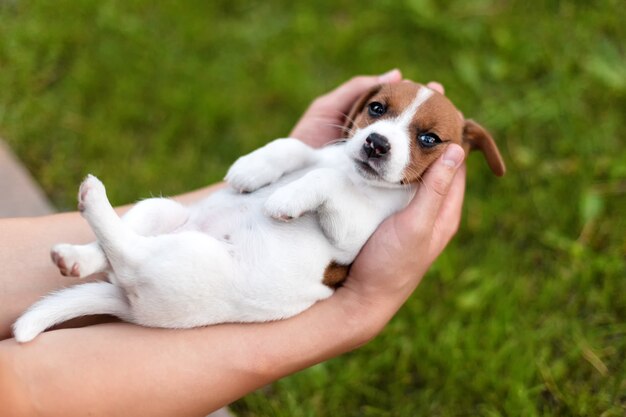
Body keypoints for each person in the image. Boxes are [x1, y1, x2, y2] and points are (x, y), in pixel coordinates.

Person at [0, 69, 467, 416]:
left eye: (425, 139)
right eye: (379, 111)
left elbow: (346, 242)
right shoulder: (340, 156)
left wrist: (322, 199)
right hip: (214, 239)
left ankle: (111, 237)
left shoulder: (387, 209)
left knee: (178, 249)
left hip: (223, 267)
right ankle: (98, 252)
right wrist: (287, 152)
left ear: (453, 154)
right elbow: (303, 160)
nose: (383, 138)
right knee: (159, 213)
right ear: (362, 106)